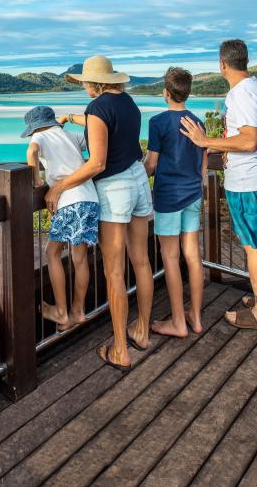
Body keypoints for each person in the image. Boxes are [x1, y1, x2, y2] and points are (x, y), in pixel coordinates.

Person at [45, 55, 153, 372]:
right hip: (137, 181)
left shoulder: (97, 108)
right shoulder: (129, 103)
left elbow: (97, 164)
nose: (85, 88)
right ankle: (142, 332)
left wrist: (59, 186)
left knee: (115, 272)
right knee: (142, 261)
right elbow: (102, 124)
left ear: (94, 83)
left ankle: (120, 349)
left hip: (116, 191)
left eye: (85, 84)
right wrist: (70, 118)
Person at [180, 39, 257, 331]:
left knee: (253, 246)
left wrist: (205, 141)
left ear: (222, 64)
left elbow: (249, 140)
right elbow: (244, 137)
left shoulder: (242, 94)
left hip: (247, 181)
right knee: (256, 245)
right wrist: (218, 146)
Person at [22, 105, 99, 332]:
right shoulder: (69, 134)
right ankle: (79, 311)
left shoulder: (39, 136)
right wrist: (71, 119)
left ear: (34, 126)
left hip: (69, 201)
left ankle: (61, 313)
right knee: (80, 258)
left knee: (52, 253)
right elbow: (94, 130)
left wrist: (36, 181)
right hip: (90, 199)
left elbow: (32, 153)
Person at [144, 67, 206, 337]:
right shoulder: (197, 122)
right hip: (193, 193)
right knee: (193, 256)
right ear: (187, 93)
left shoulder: (158, 123)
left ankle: (179, 322)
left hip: (169, 196)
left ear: (166, 93)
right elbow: (203, 162)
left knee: (170, 258)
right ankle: (196, 318)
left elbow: (152, 164)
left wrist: (138, 172)